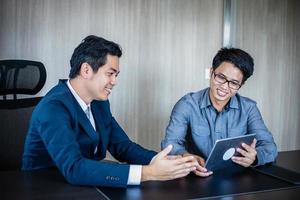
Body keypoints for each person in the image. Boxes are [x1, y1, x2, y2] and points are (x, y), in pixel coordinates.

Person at [22, 35, 199, 187]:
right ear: (86, 70)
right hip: (46, 186)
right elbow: (74, 168)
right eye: (110, 73)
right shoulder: (54, 107)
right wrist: (148, 173)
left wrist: (171, 162)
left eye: (116, 75)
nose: (114, 81)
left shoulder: (99, 102)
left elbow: (122, 146)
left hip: (86, 183)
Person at [161, 48, 278, 177]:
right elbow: (170, 144)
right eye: (221, 77)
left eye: (234, 83)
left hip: (237, 178)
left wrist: (255, 157)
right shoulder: (187, 105)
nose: (224, 86)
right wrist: (186, 156)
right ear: (211, 72)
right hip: (196, 177)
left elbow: (270, 146)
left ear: (241, 85)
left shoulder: (249, 108)